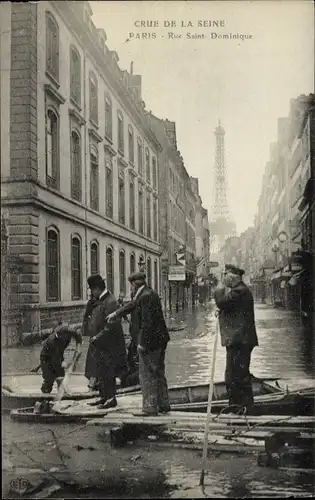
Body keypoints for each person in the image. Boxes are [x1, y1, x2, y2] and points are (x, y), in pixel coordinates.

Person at [107, 271, 171, 416]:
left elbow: (147, 323)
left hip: (151, 342)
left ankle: (149, 408)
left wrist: (143, 343)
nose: (131, 289)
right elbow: (131, 305)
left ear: (134, 284)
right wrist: (116, 314)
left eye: (131, 285)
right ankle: (163, 404)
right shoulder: (147, 294)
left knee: (146, 374)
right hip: (160, 340)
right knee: (159, 372)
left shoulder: (145, 296)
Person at [214, 264, 258, 414]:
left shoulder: (239, 291)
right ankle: (239, 407)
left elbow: (222, 302)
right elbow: (228, 308)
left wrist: (220, 286)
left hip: (240, 341)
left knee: (235, 377)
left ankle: (241, 408)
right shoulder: (240, 291)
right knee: (236, 376)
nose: (224, 278)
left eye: (225, 275)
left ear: (232, 277)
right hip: (239, 340)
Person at [85, 274, 127, 409]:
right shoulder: (100, 300)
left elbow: (112, 325)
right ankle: (103, 397)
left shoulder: (110, 301)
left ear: (97, 289)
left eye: (92, 290)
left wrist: (98, 337)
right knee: (100, 370)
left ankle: (111, 398)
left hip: (110, 344)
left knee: (109, 372)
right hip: (100, 344)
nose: (91, 293)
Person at [37, 321, 82, 394]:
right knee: (49, 379)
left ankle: (62, 392)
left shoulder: (69, 332)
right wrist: (68, 364)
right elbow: (56, 361)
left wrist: (78, 346)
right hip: (47, 357)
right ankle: (45, 395)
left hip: (58, 354)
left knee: (61, 375)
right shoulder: (51, 341)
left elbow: (78, 334)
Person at [83, 293, 99, 391]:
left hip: (97, 335)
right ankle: (92, 384)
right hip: (95, 335)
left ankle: (94, 383)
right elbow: (86, 318)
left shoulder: (100, 303)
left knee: (94, 360)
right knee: (93, 360)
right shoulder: (92, 303)